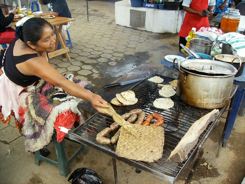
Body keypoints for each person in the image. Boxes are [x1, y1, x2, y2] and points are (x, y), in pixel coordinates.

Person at [0, 17, 108, 133]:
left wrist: (44, 47)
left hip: (13, 69)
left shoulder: (24, 36)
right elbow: (61, 82)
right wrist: (91, 97)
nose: (53, 40)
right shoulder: (34, 62)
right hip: (17, 86)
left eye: (52, 34)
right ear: (31, 44)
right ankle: (40, 137)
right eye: (46, 40)